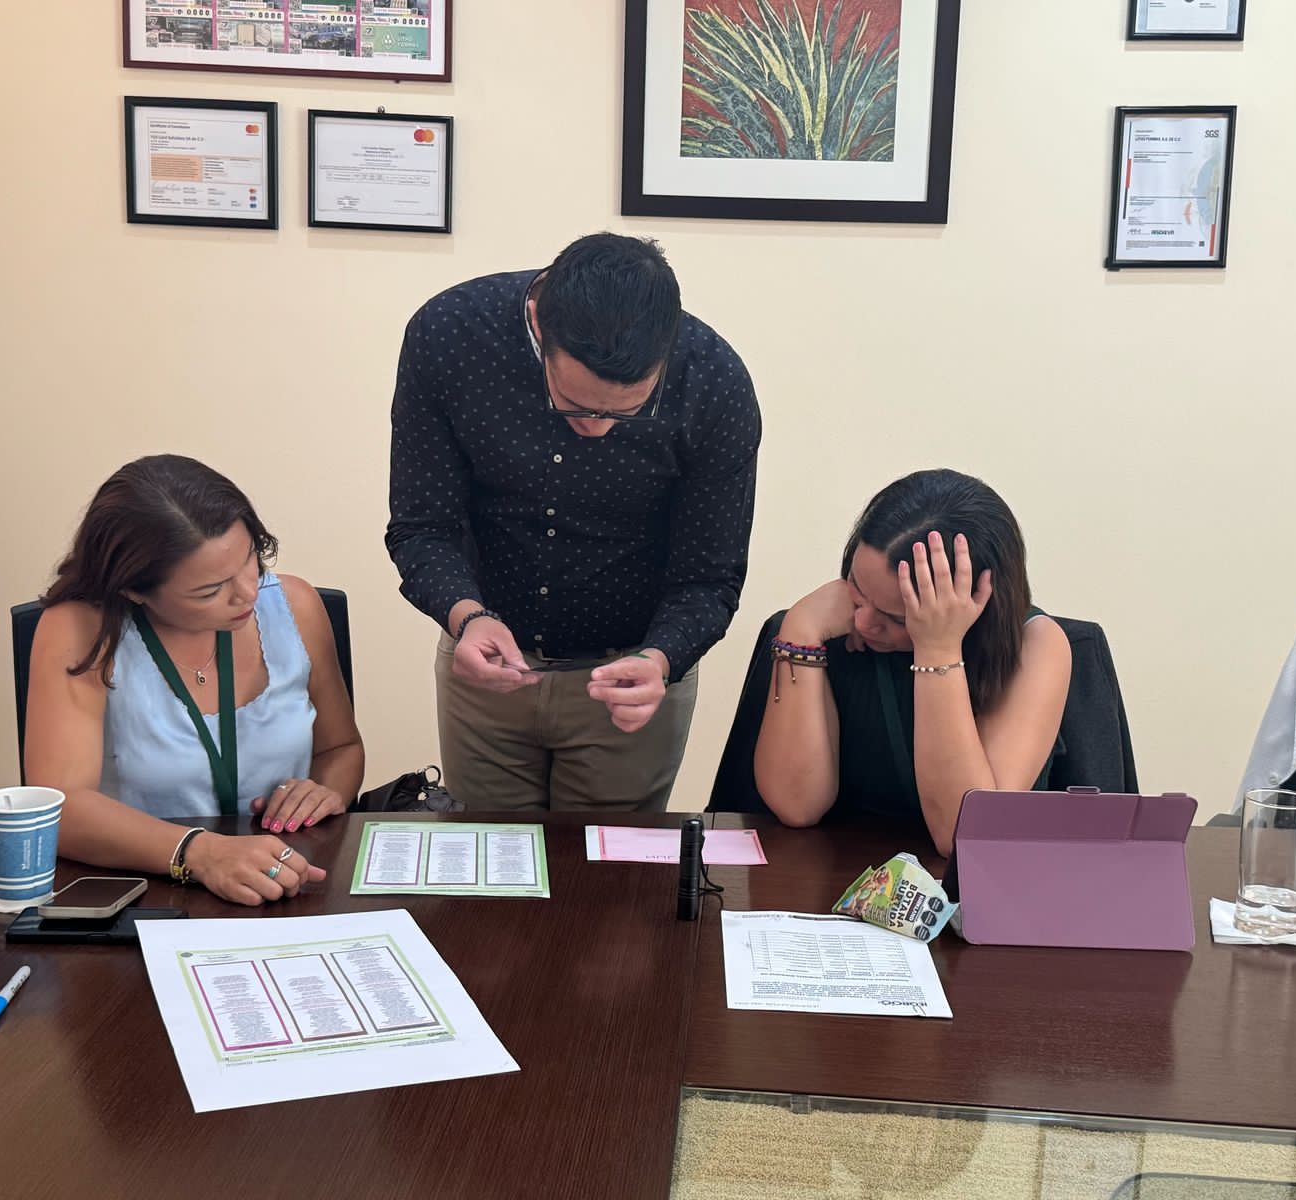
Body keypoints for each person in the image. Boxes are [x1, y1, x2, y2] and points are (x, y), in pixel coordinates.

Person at [386, 232, 761, 811]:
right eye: (576, 404)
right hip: (487, 669)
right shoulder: (451, 335)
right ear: (539, 324)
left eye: (627, 412)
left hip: (631, 679)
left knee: (611, 869)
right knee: (487, 863)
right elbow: (422, 525)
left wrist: (659, 659)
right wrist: (467, 616)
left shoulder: (714, 383)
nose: (598, 428)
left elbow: (709, 577)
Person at [24, 455, 364, 906]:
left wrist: (324, 791)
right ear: (133, 590)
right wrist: (198, 853)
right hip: (142, 894)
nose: (248, 593)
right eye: (210, 590)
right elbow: (60, 807)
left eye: (252, 559)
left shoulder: (294, 605)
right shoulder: (81, 629)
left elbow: (340, 748)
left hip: (285, 881)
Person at [753, 470, 1071, 854]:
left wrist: (937, 648)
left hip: (972, 889)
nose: (863, 622)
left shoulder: (1035, 645)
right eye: (857, 590)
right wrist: (800, 629)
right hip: (838, 875)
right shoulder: (828, 633)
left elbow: (961, 835)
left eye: (897, 618)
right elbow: (797, 806)